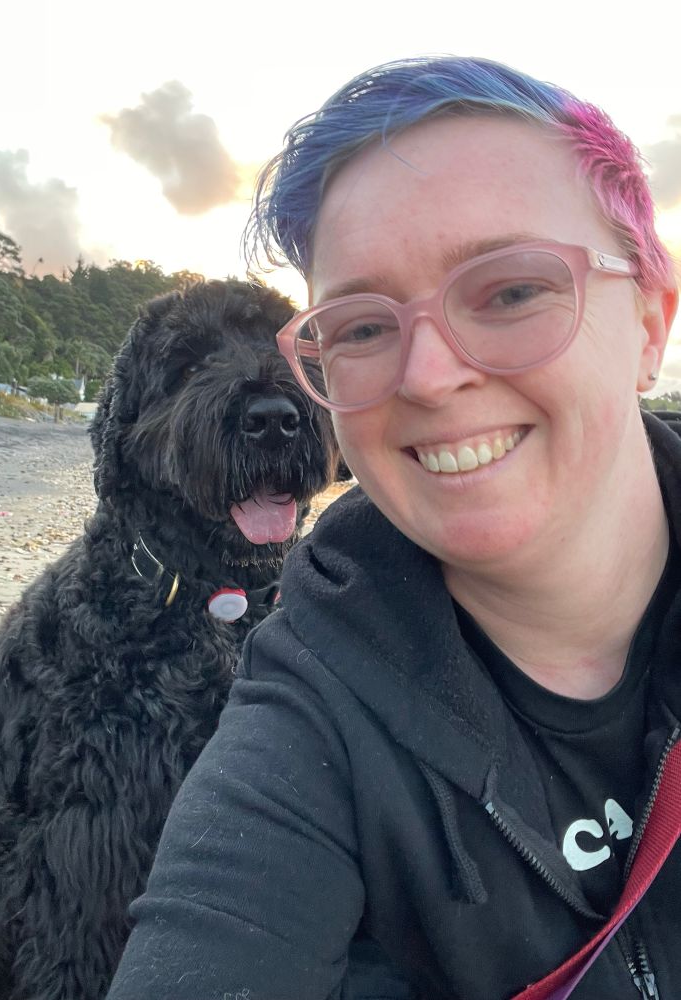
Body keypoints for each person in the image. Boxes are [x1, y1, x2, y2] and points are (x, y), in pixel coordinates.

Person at [107, 57, 680, 999]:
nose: (428, 377)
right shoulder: (307, 713)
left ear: (651, 324)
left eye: (511, 291)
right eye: (363, 328)